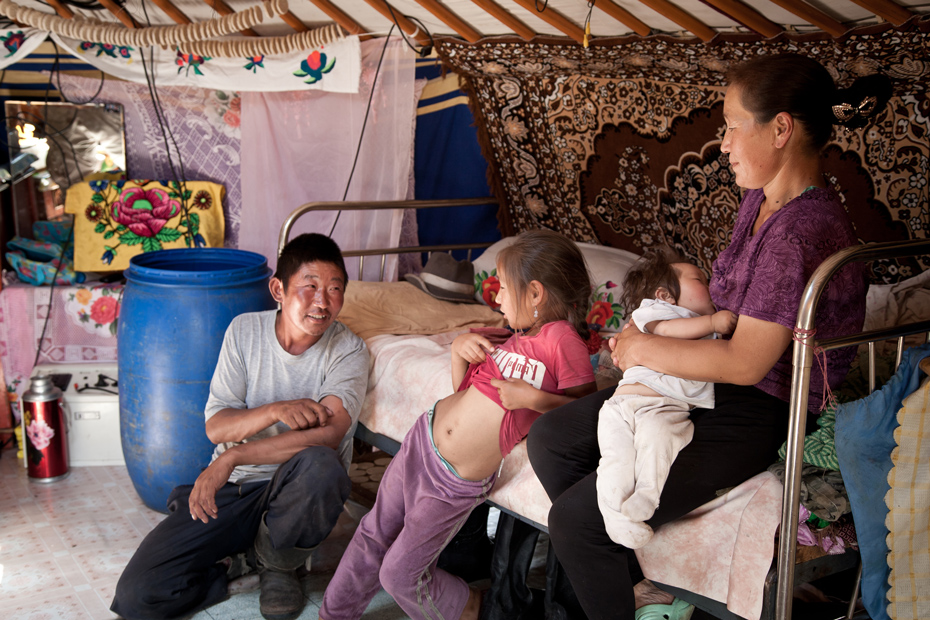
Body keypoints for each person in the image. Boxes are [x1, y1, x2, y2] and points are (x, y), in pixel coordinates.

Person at [527, 53, 892, 620]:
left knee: (574, 523)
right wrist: (659, 328)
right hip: (705, 377)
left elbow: (749, 363)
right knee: (551, 438)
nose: (722, 142)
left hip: (758, 405)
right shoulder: (763, 199)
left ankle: (604, 562)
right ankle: (634, 587)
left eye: (730, 125)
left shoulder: (803, 231)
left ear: (780, 129)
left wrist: (647, 348)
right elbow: (728, 311)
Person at [320, 229, 598, 620]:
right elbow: (468, 393)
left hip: (453, 480)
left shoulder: (561, 339)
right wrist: (457, 353)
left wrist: (534, 400)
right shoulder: (513, 337)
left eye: (503, 288)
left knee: (400, 574)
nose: (495, 297)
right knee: (373, 531)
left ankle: (479, 609)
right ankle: (332, 615)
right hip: (423, 437)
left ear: (535, 293)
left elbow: (587, 410)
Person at [111, 233, 369, 620]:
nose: (322, 301)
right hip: (236, 490)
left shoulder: (349, 350)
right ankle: (238, 565)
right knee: (139, 594)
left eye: (335, 289)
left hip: (292, 491)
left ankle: (280, 564)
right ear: (278, 289)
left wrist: (234, 455)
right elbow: (217, 426)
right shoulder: (244, 331)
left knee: (321, 465)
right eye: (310, 287)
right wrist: (275, 410)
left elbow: (329, 436)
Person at [596, 247, 737, 549]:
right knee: (615, 461)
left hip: (661, 409)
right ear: (664, 296)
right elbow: (672, 331)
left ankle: (647, 495)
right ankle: (614, 518)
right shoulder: (654, 315)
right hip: (620, 407)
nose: (710, 284)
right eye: (699, 279)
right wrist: (712, 323)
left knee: (657, 440)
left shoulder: (706, 332)